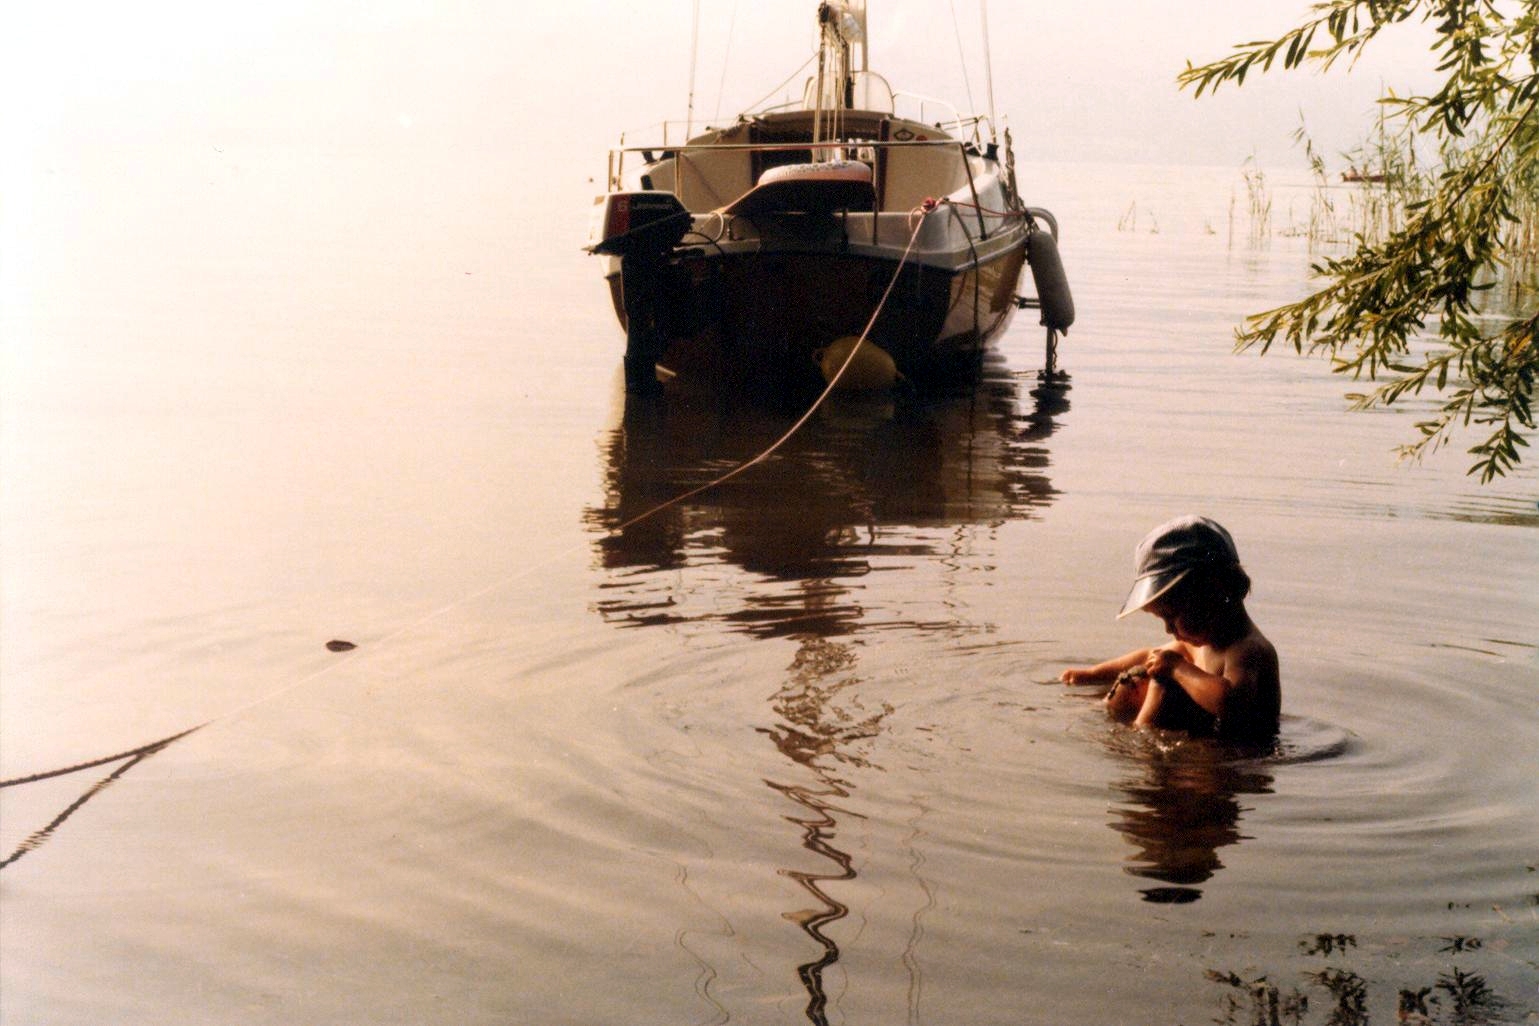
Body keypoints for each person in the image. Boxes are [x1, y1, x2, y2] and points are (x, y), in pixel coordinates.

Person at [1060, 515, 1281, 743]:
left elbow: (1230, 702)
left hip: (1238, 762)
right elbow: (1149, 655)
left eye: (1172, 616)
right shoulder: (1198, 643)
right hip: (1207, 743)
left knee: (1165, 677)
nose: (1168, 629)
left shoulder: (1247, 650)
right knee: (1137, 679)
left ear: (1214, 590)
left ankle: (1139, 742)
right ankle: (1123, 726)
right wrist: (1092, 674)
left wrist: (1178, 668)